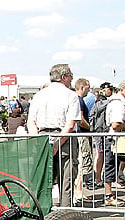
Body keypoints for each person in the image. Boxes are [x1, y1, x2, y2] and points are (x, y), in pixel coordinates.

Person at [27, 63, 81, 207]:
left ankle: (42, 215)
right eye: (71, 76)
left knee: (43, 182)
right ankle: (65, 218)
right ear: (64, 77)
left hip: (43, 137)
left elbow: (31, 122)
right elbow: (70, 125)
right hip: (64, 139)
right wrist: (57, 144)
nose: (71, 79)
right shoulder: (71, 95)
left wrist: (39, 142)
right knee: (66, 182)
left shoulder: (38, 96)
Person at [103, 80, 125, 206]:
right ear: (122, 90)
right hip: (114, 138)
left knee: (112, 165)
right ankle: (108, 195)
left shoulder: (118, 102)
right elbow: (116, 124)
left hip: (114, 138)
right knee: (110, 165)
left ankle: (109, 194)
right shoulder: (118, 103)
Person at [88, 82, 114, 188]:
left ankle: (97, 177)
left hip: (100, 131)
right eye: (109, 89)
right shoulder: (103, 102)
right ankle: (97, 178)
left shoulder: (99, 101)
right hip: (100, 131)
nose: (110, 91)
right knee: (100, 154)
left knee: (100, 154)